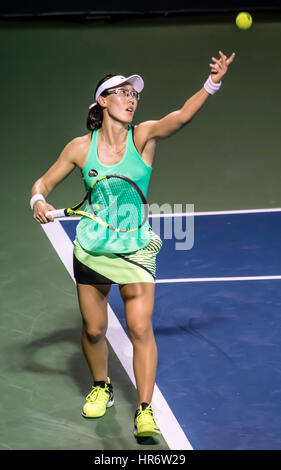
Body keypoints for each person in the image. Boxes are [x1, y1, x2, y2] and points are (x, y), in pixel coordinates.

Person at [30, 50, 235, 438]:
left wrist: (213, 82)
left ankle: (144, 410)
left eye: (134, 95)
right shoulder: (79, 148)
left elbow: (182, 117)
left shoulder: (143, 136)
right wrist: (38, 201)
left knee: (140, 328)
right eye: (121, 93)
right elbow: (41, 185)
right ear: (102, 102)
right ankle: (101, 386)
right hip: (92, 246)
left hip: (136, 248)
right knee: (93, 329)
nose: (131, 99)